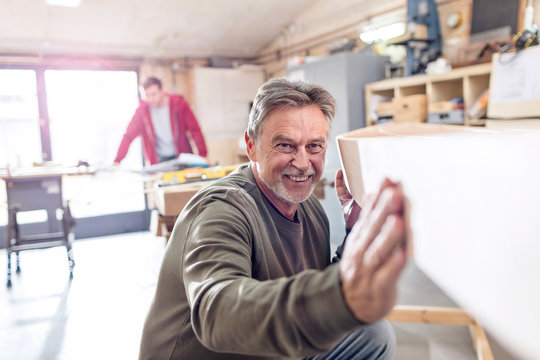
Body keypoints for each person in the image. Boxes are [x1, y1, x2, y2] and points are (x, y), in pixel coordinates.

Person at [139, 78, 408, 359]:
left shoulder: (310, 210)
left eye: (314, 146)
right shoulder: (222, 209)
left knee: (372, 336)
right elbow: (216, 312)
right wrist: (340, 297)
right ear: (251, 145)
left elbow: (309, 294)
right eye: (286, 146)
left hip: (265, 349)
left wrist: (355, 231)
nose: (303, 163)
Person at [114, 77, 207, 165]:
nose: (150, 99)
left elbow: (195, 130)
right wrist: (117, 160)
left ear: (162, 91)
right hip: (159, 161)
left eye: (153, 94)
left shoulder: (179, 105)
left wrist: (203, 154)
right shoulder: (142, 112)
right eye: (147, 95)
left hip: (182, 158)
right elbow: (128, 136)